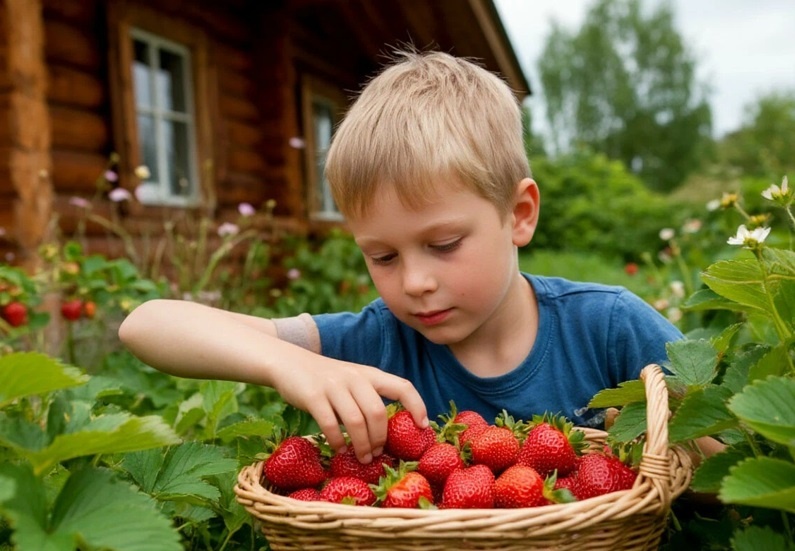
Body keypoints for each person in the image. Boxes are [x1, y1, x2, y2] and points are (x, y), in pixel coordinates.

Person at [118, 50, 684, 466]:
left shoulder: (606, 328)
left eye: (444, 245)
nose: (414, 282)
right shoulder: (379, 343)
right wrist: (290, 364)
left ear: (518, 214)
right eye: (383, 256)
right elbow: (146, 325)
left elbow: (718, 451)